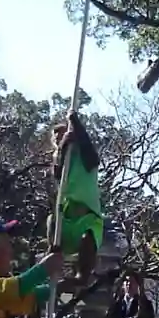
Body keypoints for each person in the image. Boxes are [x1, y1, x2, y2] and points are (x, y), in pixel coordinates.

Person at [49, 112, 103, 281]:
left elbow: (92, 156)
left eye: (63, 134)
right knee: (52, 220)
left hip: (88, 218)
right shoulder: (60, 161)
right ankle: (53, 254)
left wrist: (76, 122)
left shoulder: (84, 155)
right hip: (68, 219)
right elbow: (58, 174)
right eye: (56, 138)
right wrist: (63, 146)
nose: (60, 139)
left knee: (88, 238)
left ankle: (82, 275)